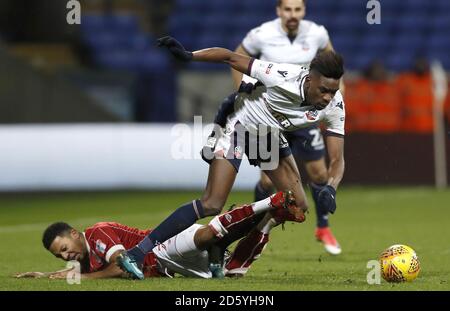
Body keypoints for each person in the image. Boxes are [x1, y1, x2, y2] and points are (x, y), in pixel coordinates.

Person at [117, 35, 345, 280]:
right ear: (309, 79)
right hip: (238, 127)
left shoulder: (334, 105)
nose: (327, 98)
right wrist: (190, 55)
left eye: (332, 92)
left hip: (267, 137)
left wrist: (330, 188)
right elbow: (230, 57)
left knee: (296, 205)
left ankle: (220, 243)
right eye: (323, 90)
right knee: (212, 203)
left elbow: (337, 160)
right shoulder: (282, 75)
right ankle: (137, 252)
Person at [222, 0, 343, 256]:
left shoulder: (317, 33)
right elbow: (238, 54)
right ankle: (252, 227)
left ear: (304, 11)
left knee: (319, 174)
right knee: (267, 182)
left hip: (303, 115)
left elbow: (332, 64)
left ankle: (323, 227)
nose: (292, 15)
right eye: (287, 9)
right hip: (270, 113)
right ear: (279, 11)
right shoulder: (262, 34)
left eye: (297, 10)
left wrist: (335, 101)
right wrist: (242, 90)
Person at [15, 191, 295, 280]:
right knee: (231, 273)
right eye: (60, 256)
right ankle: (270, 219)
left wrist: (83, 278)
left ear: (75, 234)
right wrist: (44, 276)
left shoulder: (97, 234)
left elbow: (121, 266)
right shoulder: (85, 258)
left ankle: (268, 202)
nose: (66, 256)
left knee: (208, 235)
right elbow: (77, 271)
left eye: (64, 248)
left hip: (162, 248)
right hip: (171, 268)